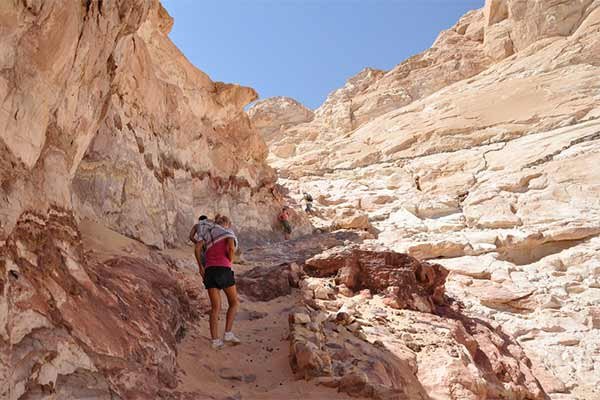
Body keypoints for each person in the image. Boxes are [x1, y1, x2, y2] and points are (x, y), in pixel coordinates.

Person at [192, 214, 241, 349]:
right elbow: (231, 248)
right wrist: (230, 259)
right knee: (234, 302)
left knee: (215, 308)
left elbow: (197, 247)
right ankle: (228, 333)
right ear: (226, 223)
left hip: (209, 271)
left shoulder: (207, 233)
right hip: (223, 270)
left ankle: (215, 341)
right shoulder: (227, 232)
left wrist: (200, 266)